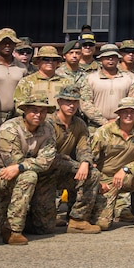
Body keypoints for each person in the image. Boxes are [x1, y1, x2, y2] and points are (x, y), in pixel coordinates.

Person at [0, 95, 57, 246]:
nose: (38, 115)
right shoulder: (9, 129)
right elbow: (12, 164)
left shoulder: (48, 128)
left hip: (22, 170)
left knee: (45, 228)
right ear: (24, 111)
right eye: (34, 110)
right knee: (28, 176)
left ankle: (2, 217)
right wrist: (23, 166)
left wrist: (22, 166)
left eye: (43, 111)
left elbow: (47, 161)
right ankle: (12, 230)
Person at [34, 85, 100, 234]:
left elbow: (84, 148)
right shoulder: (48, 123)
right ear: (59, 102)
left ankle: (78, 219)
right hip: (45, 174)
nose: (72, 105)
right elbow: (49, 156)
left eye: (75, 102)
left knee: (92, 173)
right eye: (67, 101)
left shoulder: (79, 124)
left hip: (65, 171)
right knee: (43, 228)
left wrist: (85, 162)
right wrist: (76, 164)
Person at [88, 96, 134, 231]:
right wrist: (98, 182)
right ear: (119, 113)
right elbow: (90, 160)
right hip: (107, 180)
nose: (129, 114)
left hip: (129, 176)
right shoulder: (104, 131)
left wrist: (126, 169)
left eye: (132, 111)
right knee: (102, 225)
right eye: (125, 111)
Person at [81, 43, 134, 128]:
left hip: (122, 126)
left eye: (113, 57)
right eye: (107, 57)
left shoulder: (129, 79)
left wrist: (118, 120)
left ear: (118, 58)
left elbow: (133, 102)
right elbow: (86, 104)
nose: (110, 59)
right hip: (96, 127)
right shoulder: (90, 79)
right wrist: (104, 122)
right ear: (101, 59)